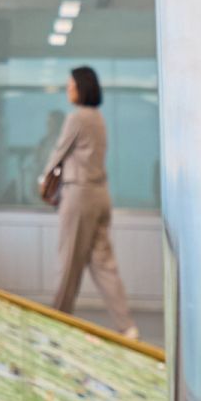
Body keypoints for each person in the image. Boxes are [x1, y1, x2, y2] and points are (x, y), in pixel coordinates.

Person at [40, 64, 135, 335]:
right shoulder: (99, 118)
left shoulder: (77, 118)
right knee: (105, 265)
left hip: (79, 196)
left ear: (82, 88)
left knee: (68, 262)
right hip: (100, 195)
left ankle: (55, 323)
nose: (68, 89)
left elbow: (58, 153)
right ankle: (127, 327)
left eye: (71, 85)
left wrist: (44, 185)